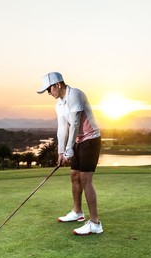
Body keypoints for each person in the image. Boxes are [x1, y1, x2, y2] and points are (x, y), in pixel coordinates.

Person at [37, 72, 103, 235]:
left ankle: (95, 223)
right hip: (79, 140)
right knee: (74, 175)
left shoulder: (75, 95)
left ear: (58, 85)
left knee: (85, 179)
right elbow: (62, 128)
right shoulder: (59, 104)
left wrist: (69, 149)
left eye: (49, 89)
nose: (49, 93)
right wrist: (61, 151)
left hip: (91, 139)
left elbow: (74, 123)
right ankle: (77, 212)